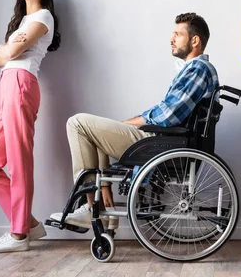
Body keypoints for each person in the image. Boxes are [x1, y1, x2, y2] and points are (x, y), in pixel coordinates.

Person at [49, 12, 219, 229]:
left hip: (163, 142)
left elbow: (168, 115)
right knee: (94, 133)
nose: (171, 39)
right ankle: (102, 207)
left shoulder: (198, 69)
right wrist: (132, 122)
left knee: (78, 123)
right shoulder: (193, 70)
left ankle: (90, 209)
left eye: (177, 34)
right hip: (165, 139)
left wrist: (133, 122)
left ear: (195, 40)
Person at [0, 0, 61, 253]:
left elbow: (8, 55)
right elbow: (2, 60)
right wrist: (5, 50)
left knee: (18, 159)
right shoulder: (23, 21)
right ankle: (28, 224)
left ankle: (18, 235)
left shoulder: (42, 17)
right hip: (7, 85)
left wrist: (3, 48)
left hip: (21, 83)